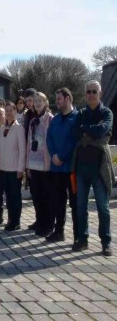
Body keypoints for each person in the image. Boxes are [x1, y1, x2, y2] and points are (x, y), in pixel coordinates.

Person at [72, 81, 113, 256]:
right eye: (88, 91)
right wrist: (90, 131)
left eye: (94, 91)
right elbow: (75, 132)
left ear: (100, 93)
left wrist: (86, 131)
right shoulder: (81, 113)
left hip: (99, 168)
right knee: (80, 206)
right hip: (81, 168)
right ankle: (83, 239)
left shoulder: (106, 112)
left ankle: (106, 242)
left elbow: (102, 131)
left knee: (103, 208)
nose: (91, 94)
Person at [45, 88, 78, 243]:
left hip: (72, 169)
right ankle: (59, 232)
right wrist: (53, 155)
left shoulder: (77, 118)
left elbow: (74, 141)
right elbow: (49, 139)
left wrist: (62, 156)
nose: (56, 101)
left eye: (59, 98)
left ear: (67, 98)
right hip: (56, 169)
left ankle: (78, 235)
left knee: (75, 202)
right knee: (58, 202)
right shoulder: (56, 119)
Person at [0, 102, 26, 231]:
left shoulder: (19, 128)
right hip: (3, 169)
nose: (9, 113)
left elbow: (22, 150)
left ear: (15, 112)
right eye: (7, 111)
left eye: (11, 110)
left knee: (15, 197)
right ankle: (10, 219)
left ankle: (16, 221)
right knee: (7, 197)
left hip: (14, 170)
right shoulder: (1, 129)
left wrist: (20, 169)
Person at [26, 92, 53, 237]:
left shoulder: (50, 119)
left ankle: (48, 225)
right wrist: (27, 164)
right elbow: (29, 144)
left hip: (45, 165)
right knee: (36, 197)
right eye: (35, 101)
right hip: (33, 164)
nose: (37, 103)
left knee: (46, 197)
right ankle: (40, 222)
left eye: (40, 101)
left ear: (45, 102)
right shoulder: (32, 121)